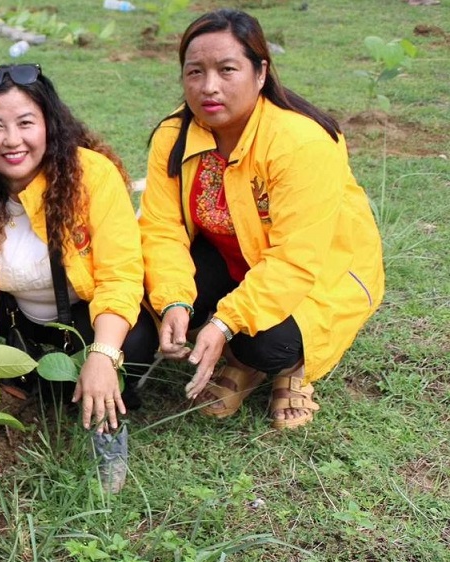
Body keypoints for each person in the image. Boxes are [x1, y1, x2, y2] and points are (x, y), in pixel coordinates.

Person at [0, 64, 150, 493]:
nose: (12, 140)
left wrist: (103, 354)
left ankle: (89, 399)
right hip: (16, 321)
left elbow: (120, 276)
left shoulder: (92, 176)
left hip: (85, 319)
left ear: (49, 125)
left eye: (25, 123)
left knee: (134, 346)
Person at [139, 9, 384, 429]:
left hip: (318, 274)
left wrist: (224, 321)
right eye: (194, 71)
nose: (208, 86)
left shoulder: (300, 141)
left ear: (260, 72)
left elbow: (295, 260)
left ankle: (279, 368)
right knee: (151, 292)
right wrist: (175, 299)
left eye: (227, 69)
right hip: (234, 261)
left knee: (264, 343)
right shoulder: (174, 135)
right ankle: (236, 350)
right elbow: (161, 229)